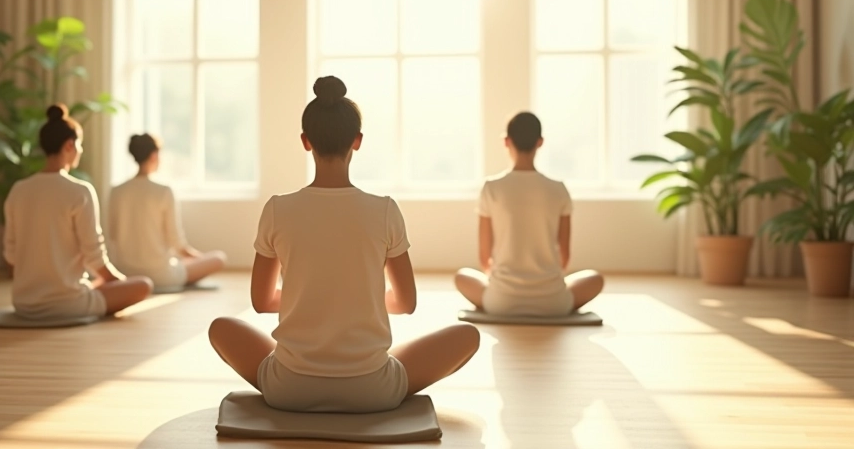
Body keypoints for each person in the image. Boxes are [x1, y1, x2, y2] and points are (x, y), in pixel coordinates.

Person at [208, 76, 480, 414]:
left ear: (306, 142)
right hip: (373, 390)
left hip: (288, 388)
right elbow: (406, 302)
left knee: (221, 328)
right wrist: (359, 302)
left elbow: (262, 302)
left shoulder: (278, 209)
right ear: (358, 141)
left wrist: (308, 301)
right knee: (467, 336)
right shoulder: (384, 210)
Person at [3, 104, 153, 319]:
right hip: (68, 304)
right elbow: (95, 258)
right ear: (69, 146)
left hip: (23, 303)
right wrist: (122, 283)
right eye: (80, 145)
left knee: (97, 285)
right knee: (143, 285)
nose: (81, 151)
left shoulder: (18, 190)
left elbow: (11, 255)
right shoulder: (79, 191)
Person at [454, 112, 604, 316]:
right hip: (554, 303)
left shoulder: (491, 188)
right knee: (595, 279)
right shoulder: (558, 189)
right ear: (540, 142)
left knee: (461, 277)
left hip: (500, 301)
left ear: (506, 141)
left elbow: (484, 257)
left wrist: (503, 282)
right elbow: (564, 258)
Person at [107, 133, 226, 288]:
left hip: (125, 274)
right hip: (161, 275)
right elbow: (177, 243)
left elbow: (112, 236)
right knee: (218, 258)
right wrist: (199, 259)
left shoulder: (116, 191)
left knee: (182, 262)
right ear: (154, 155)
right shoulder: (163, 191)